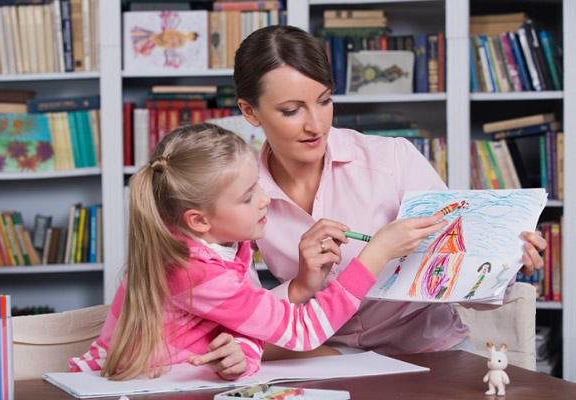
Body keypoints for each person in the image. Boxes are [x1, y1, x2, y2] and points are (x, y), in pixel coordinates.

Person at [233, 25, 547, 358]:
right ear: (250, 111)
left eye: (324, 101)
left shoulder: (392, 159)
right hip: (324, 357)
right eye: (291, 111)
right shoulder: (239, 191)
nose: (316, 125)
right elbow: (242, 318)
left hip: (428, 353)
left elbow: (460, 282)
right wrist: (300, 286)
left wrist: (503, 265)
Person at [68, 123, 445, 380]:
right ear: (199, 220)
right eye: (249, 195)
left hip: (177, 381)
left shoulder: (216, 244)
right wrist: (375, 255)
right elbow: (302, 332)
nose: (265, 200)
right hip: (136, 386)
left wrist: (294, 293)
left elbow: (241, 321)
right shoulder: (190, 267)